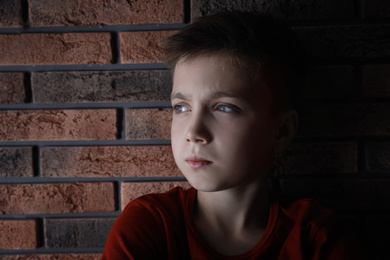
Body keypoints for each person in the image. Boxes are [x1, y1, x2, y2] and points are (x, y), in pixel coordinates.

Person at [102, 11, 362, 259]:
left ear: (282, 131)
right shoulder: (149, 226)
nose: (194, 133)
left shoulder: (315, 238)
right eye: (182, 108)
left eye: (224, 107)